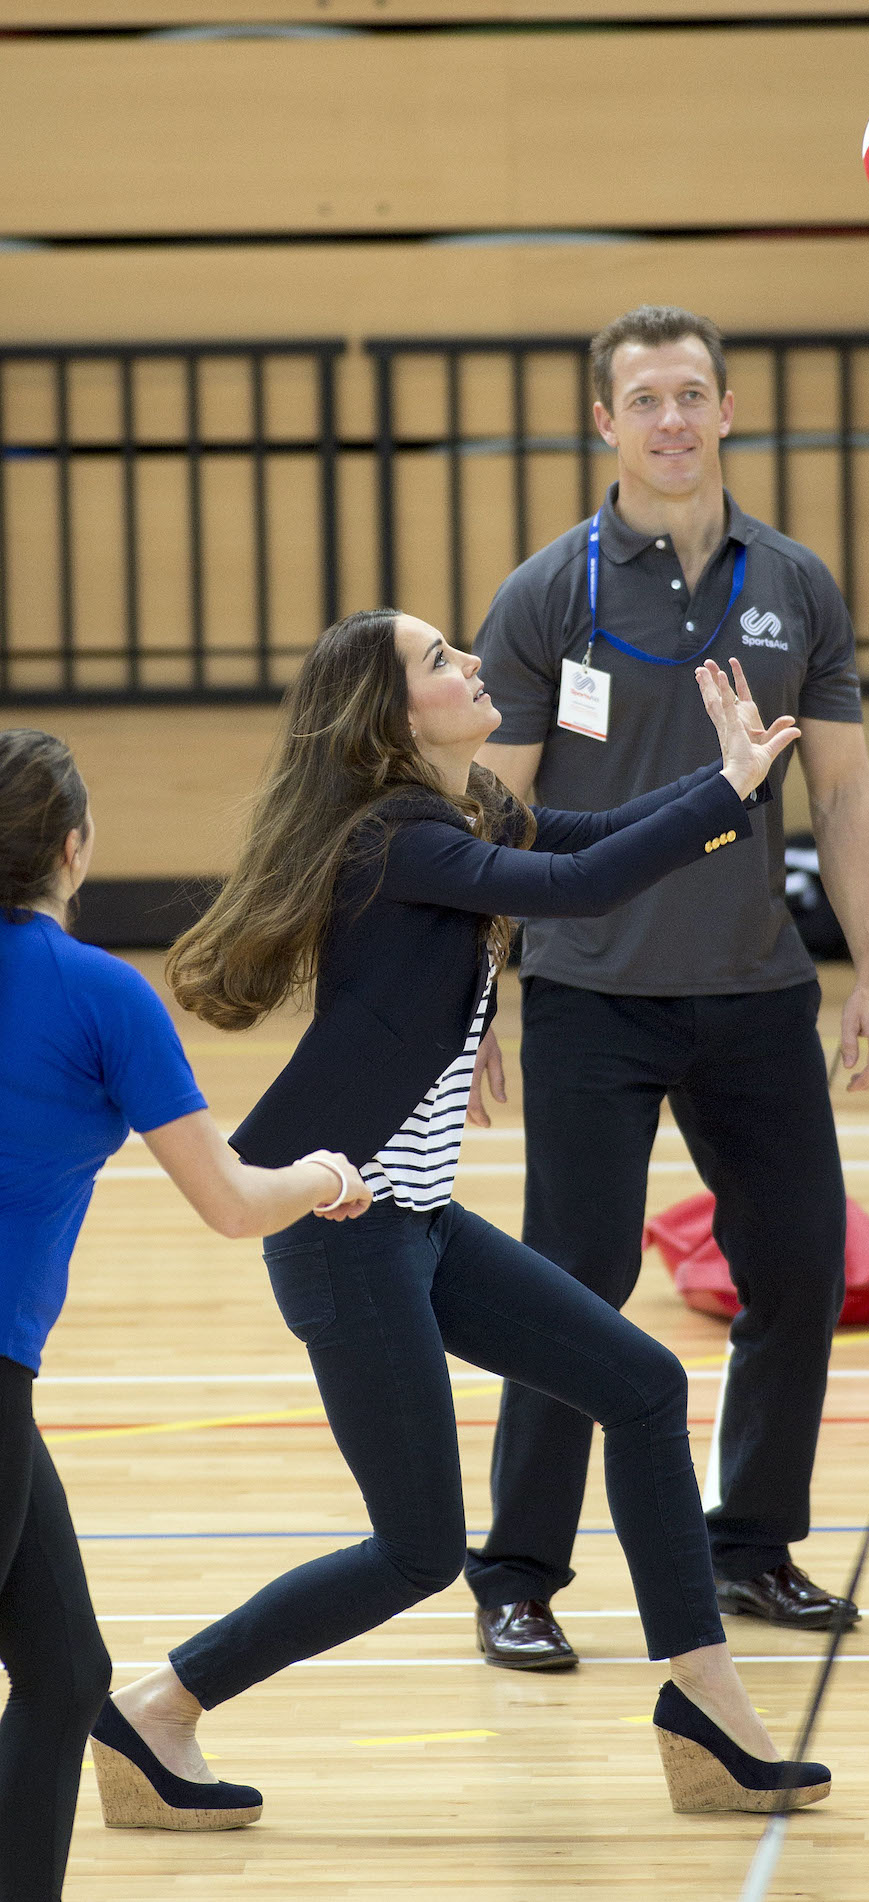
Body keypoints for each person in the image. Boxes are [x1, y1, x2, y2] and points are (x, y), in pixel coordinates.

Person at [91, 609, 831, 1831]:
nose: (472, 665)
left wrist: (724, 778)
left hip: (419, 1225)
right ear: (390, 717)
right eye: (441, 660)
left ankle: (705, 1704)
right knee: (416, 1550)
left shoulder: (468, 805)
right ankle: (160, 1703)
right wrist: (734, 787)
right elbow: (576, 885)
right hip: (342, 1233)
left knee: (643, 1386)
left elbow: (580, 836)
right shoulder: (393, 835)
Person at [465, 303, 869, 1671]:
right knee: (573, 1285)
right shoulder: (551, 593)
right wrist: (480, 1003)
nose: (671, 420)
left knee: (797, 1271)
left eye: (692, 395)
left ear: (726, 412)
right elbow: (494, 816)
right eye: (644, 398)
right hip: (595, 996)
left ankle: (753, 1543)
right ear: (606, 423)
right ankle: (521, 1573)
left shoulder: (798, 583)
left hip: (756, 990)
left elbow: (841, 788)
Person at [0, 727, 371, 1900]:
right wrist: (323, 1175)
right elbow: (229, 1201)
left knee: (65, 1672)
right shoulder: (103, 993)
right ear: (74, 848)